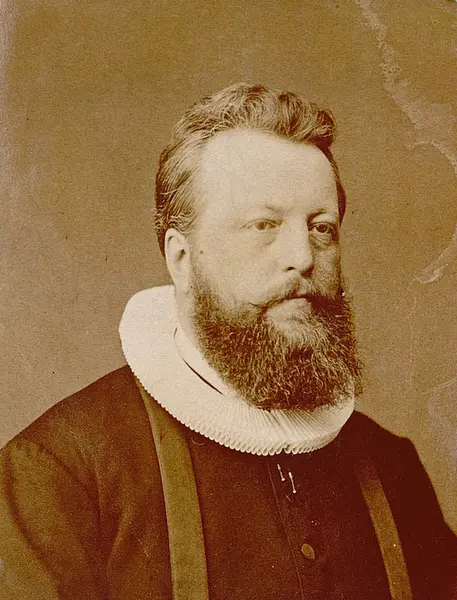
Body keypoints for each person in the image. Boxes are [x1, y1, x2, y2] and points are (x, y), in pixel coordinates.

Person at [0, 82, 456, 600]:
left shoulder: (392, 467)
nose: (303, 257)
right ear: (181, 259)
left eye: (321, 228)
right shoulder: (58, 474)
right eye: (263, 225)